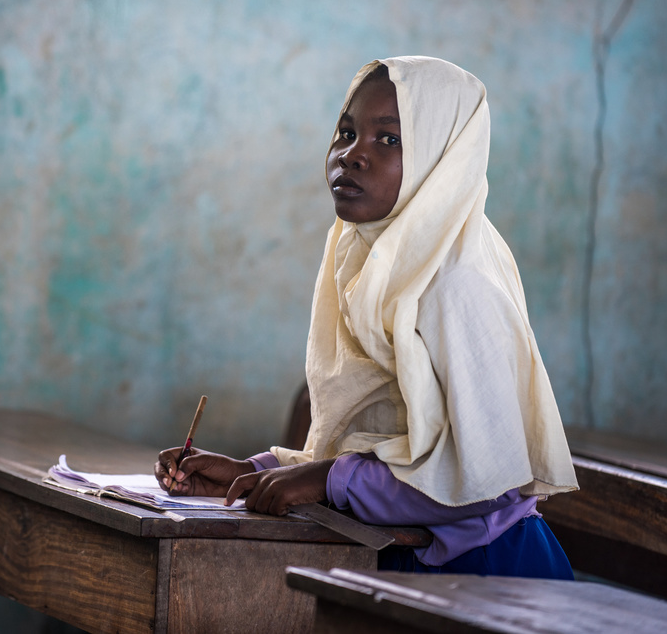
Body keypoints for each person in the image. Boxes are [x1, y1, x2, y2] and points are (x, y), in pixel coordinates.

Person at [155, 56, 579, 578]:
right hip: (389, 560)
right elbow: (376, 439)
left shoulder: (456, 282)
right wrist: (254, 472)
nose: (352, 156)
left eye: (389, 140)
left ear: (442, 159)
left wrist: (328, 480)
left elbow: (492, 480)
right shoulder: (364, 261)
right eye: (346, 133)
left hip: (487, 575)